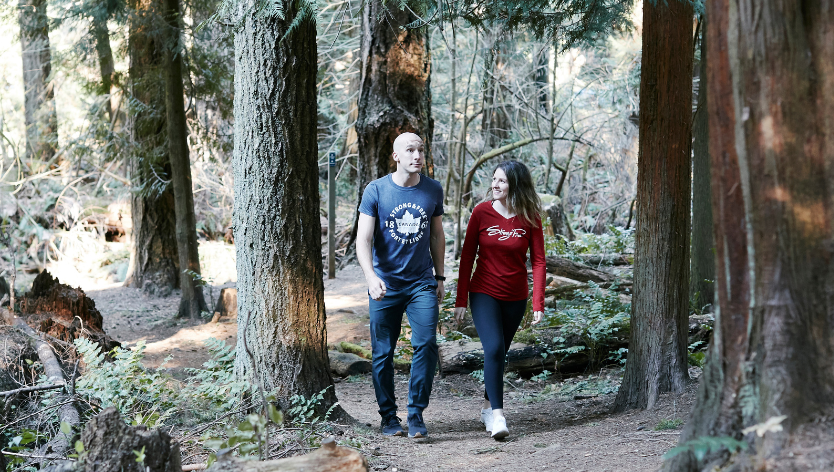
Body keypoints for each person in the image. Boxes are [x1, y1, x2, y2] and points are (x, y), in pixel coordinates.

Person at [356, 132, 446, 438]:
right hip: (385, 284)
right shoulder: (377, 190)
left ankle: (416, 414)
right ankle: (388, 417)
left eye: (420, 150)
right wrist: (370, 277)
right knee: (383, 352)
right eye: (410, 150)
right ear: (396, 156)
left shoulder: (433, 189)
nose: (417, 155)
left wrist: (441, 276)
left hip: (421, 282)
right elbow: (363, 240)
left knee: (426, 344)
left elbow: (436, 236)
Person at [454, 160, 545, 440]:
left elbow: (539, 260)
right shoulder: (480, 213)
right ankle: (498, 416)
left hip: (516, 296)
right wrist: (460, 299)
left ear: (515, 185)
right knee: (493, 348)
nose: (494, 184)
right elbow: (467, 256)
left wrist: (539, 301)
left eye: (502, 181)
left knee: (499, 353)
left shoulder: (529, 216)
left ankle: (485, 406)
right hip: (483, 292)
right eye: (494, 179)